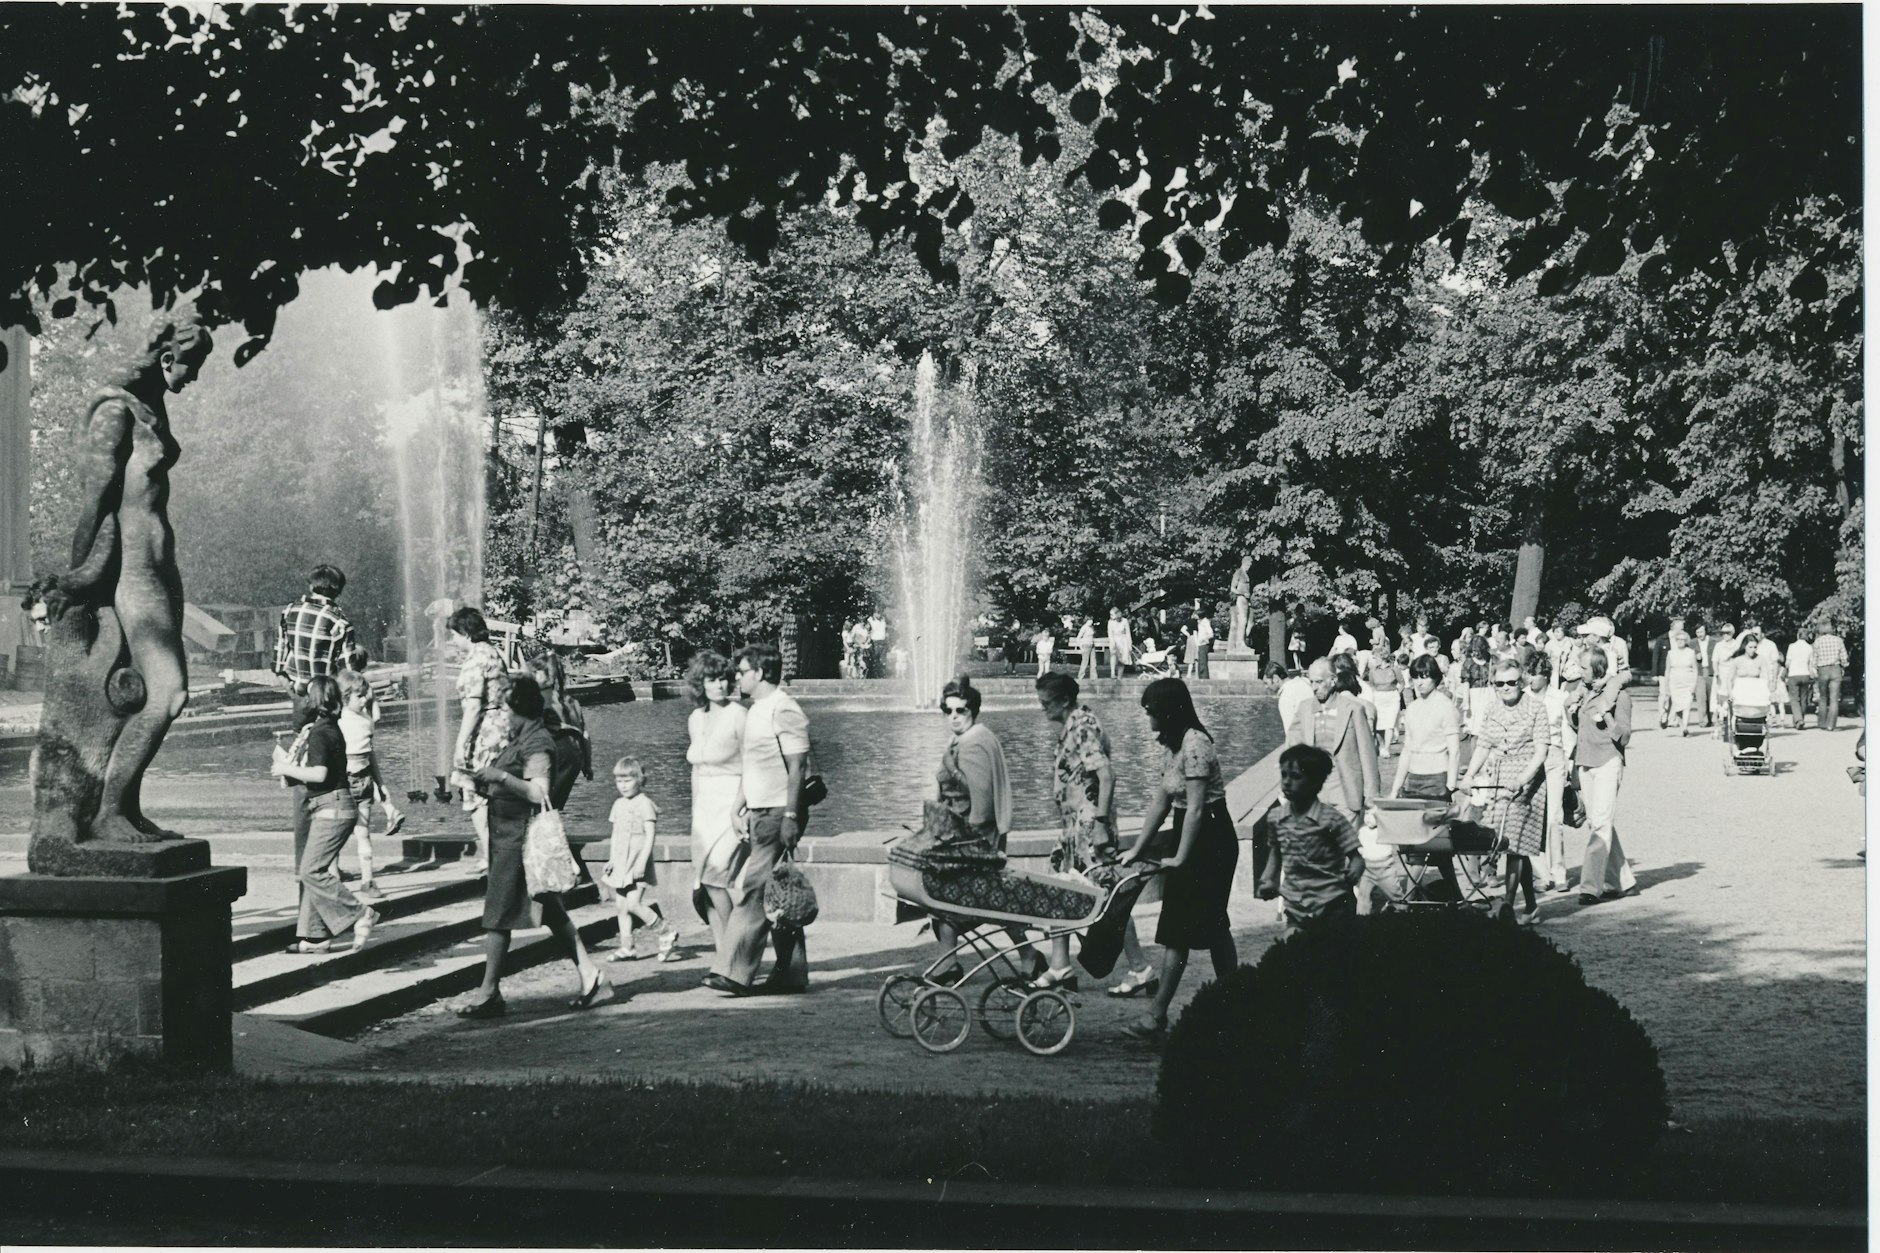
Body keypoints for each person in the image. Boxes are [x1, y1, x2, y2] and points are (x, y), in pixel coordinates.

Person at [455, 676, 610, 1017]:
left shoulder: (537, 741)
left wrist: (498, 778)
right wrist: (484, 784)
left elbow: (539, 792)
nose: (502, 715)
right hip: (507, 833)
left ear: (518, 709)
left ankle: (489, 992)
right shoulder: (523, 737)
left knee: (497, 915)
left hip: (518, 838)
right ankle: (591, 975)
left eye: (505, 708)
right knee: (550, 910)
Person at [1119, 678, 1239, 1045]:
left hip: (1211, 837)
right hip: (1192, 830)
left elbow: (1199, 807)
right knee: (1208, 925)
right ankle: (1235, 999)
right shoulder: (1172, 746)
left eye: (1151, 711)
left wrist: (1181, 857)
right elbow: (1162, 801)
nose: (1147, 717)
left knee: (1183, 925)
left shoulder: (1196, 743)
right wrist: (1139, 847)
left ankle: (1158, 1014)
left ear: (1168, 710)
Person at [1035, 673, 1153, 997]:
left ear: (1062, 701)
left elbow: (1107, 775)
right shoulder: (1074, 724)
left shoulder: (1083, 726)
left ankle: (1140, 968)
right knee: (1058, 886)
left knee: (1107, 900)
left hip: (1089, 829)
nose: (1042, 708)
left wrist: (1101, 823)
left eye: (1046, 703)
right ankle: (1060, 965)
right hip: (1074, 829)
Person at [924, 674, 1043, 986]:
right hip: (964, 834)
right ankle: (1028, 955)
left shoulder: (975, 740)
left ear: (972, 710)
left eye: (960, 711)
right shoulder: (971, 737)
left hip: (970, 837)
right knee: (989, 898)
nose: (953, 717)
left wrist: (962, 842)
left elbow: (981, 801)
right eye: (947, 711)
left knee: (946, 893)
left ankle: (949, 962)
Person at [711, 642, 811, 996]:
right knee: (778, 893)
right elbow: (752, 765)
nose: (737, 676)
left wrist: (790, 815)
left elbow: (798, 766)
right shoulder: (756, 709)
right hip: (760, 809)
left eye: (742, 671)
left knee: (755, 888)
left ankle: (733, 971)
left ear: (761, 673)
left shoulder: (784, 708)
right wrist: (738, 805)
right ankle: (792, 972)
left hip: (777, 810)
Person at [271, 675, 379, 954]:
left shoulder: (320, 732)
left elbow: (320, 774)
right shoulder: (330, 727)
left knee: (311, 870)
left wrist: (285, 769)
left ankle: (360, 912)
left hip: (332, 807)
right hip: (335, 805)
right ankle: (315, 936)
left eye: (307, 697)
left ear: (315, 700)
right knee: (311, 868)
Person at [1286, 658, 1384, 911]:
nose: (1315, 687)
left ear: (1333, 680)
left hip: (1345, 789)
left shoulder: (1353, 708)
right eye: (1312, 682)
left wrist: (1372, 800)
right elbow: (1292, 749)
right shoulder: (1305, 708)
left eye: (1319, 682)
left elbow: (1367, 755)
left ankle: (1343, 908)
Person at [1458, 657, 1548, 924]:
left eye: (1511, 682)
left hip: (1527, 781)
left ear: (1521, 682)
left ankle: (1507, 907)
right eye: (1500, 684)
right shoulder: (1491, 709)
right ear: (1493, 684)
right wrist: (1470, 775)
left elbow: (1541, 751)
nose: (1506, 687)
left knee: (1514, 842)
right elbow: (1484, 746)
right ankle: (1531, 906)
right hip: (1498, 778)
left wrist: (1522, 779)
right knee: (1513, 843)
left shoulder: (1536, 708)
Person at [683, 650, 748, 980]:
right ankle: (723, 957)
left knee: (716, 877)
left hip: (732, 802)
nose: (720, 684)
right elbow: (696, 769)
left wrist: (740, 808)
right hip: (705, 807)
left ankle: (737, 954)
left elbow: (753, 766)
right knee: (706, 883)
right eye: (712, 679)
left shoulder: (739, 715)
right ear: (701, 684)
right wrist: (694, 813)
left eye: (724, 678)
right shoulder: (696, 718)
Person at [1252, 745, 1364, 935]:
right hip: (1297, 903)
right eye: (1284, 775)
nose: (1286, 782)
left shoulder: (1331, 819)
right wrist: (1267, 879)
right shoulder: (1276, 818)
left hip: (1332, 902)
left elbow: (1356, 857)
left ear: (1315, 782)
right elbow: (1276, 852)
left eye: (1295, 777)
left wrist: (1354, 871)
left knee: (1330, 956)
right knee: (1294, 950)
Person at [334, 668, 404, 902]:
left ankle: (367, 880)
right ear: (345, 697)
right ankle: (334, 877)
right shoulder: (339, 720)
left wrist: (380, 784)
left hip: (362, 779)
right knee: (337, 832)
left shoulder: (364, 720)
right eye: (359, 696)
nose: (365, 699)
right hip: (343, 781)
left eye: (365, 695)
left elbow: (370, 753)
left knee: (363, 833)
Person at [1572, 651, 1635, 904]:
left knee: (1599, 822)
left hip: (1608, 761)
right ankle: (1624, 881)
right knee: (1598, 821)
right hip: (1585, 761)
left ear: (1597, 668)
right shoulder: (1584, 691)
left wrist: (1606, 714)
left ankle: (1589, 887)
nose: (1580, 671)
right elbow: (1579, 727)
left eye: (1584, 667)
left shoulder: (1620, 696)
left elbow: (1624, 736)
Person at [602, 757, 679, 962]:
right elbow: (616, 834)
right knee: (621, 905)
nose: (623, 786)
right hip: (621, 861)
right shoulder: (618, 804)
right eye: (619, 781)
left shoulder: (644, 804)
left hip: (637, 860)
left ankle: (665, 930)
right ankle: (627, 947)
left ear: (639, 779)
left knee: (634, 903)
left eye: (628, 780)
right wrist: (611, 859)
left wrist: (642, 862)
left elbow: (650, 835)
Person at [1527, 652, 1573, 891]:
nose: (1531, 679)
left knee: (1555, 817)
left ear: (1546, 675)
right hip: (1530, 758)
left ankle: (1560, 871)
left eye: (1536, 674)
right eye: (1529, 673)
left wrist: (1569, 766)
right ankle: (1541, 874)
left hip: (1554, 757)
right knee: (1534, 816)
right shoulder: (1522, 698)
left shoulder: (1559, 698)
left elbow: (1567, 732)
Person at [1661, 627, 1700, 736]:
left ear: (1686, 641)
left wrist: (1694, 684)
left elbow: (1695, 670)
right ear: (1676, 640)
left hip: (1688, 683)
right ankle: (1682, 727)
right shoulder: (1671, 653)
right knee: (1678, 707)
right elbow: (1667, 671)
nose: (1680, 642)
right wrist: (1666, 686)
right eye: (1678, 639)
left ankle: (1685, 727)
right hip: (1675, 683)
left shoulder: (1691, 653)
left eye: (1683, 640)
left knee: (1687, 706)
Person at [1812, 621, 1848, 731]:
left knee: (1823, 697)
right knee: (1834, 698)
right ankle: (1831, 725)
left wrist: (1814, 670)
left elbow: (1814, 659)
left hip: (1823, 669)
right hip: (1835, 668)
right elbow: (1844, 657)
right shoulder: (1838, 640)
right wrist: (1844, 667)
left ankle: (1822, 723)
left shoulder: (1817, 642)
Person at [1366, 649, 1403, 757]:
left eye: (1375, 658)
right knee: (1378, 725)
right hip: (1378, 697)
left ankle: (1386, 748)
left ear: (1382, 658)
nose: (1373, 660)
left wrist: (1396, 694)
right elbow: (1372, 685)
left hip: (1392, 697)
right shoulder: (1373, 671)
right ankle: (1381, 746)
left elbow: (1401, 683)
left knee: (1390, 723)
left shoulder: (1394, 669)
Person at [1786, 630, 1816, 729]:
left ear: (1798, 635)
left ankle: (1798, 719)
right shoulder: (1809, 648)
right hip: (1805, 674)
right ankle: (1799, 720)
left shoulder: (1792, 646)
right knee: (1804, 699)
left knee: (1794, 699)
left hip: (1793, 675)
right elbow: (1811, 664)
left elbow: (1787, 663)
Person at [1107, 607, 1133, 679]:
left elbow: (1128, 633)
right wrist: (1112, 643)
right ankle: (1112, 673)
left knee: (1122, 659)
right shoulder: (1110, 622)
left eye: (1112, 615)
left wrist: (1129, 644)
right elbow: (1110, 633)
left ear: (1117, 614)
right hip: (1114, 639)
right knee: (1113, 655)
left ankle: (1119, 676)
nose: (1110, 616)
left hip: (1123, 641)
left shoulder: (1125, 621)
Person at [868, 612, 889, 677]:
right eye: (877, 613)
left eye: (880, 613)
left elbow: (886, 629)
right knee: (875, 658)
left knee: (883, 659)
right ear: (874, 614)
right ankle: (875, 674)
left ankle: (882, 674)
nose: (879, 615)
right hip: (875, 641)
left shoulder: (883, 621)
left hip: (883, 641)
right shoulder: (871, 620)